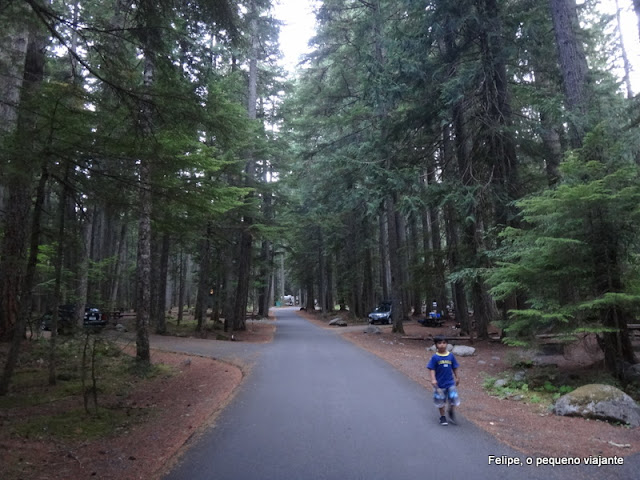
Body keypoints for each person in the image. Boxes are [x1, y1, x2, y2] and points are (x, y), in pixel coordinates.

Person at [427, 335, 460, 425]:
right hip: (439, 384)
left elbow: (455, 367)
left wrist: (457, 377)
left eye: (444, 343)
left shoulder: (450, 356)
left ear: (447, 344)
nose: (442, 345)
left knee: (453, 398)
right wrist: (433, 379)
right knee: (440, 401)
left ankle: (451, 411)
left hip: (450, 383)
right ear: (436, 345)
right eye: (439, 343)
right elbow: (432, 368)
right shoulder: (435, 357)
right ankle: (442, 417)